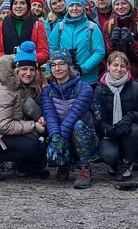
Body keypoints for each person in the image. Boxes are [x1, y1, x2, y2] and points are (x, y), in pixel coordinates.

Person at [0, 42, 48, 181]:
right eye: (24, 69)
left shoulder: (30, 86)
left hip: (7, 132)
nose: (28, 73)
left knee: (42, 137)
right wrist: (33, 125)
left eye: (32, 69)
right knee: (32, 144)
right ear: (15, 69)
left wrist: (40, 118)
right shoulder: (3, 89)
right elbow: (2, 125)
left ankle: (26, 165)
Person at [41, 49, 98, 189]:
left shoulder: (84, 88)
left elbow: (73, 116)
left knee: (77, 125)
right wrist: (55, 139)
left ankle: (85, 169)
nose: (57, 68)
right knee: (48, 126)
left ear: (69, 66)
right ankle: (64, 164)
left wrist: (59, 143)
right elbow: (51, 116)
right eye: (53, 65)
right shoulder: (47, 91)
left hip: (86, 138)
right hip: (62, 135)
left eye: (61, 64)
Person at [94, 51, 138, 181]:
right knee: (109, 155)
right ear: (108, 66)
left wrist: (131, 117)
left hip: (129, 131)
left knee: (136, 129)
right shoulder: (100, 89)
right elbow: (97, 117)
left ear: (127, 69)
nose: (119, 69)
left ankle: (126, 163)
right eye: (115, 65)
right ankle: (114, 164)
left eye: (122, 66)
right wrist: (108, 129)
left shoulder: (136, 87)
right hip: (109, 132)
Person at [47, 0, 105, 84]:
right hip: (63, 79)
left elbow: (99, 52)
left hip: (87, 79)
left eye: (78, 5)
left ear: (83, 8)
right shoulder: (59, 27)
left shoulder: (92, 27)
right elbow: (51, 49)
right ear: (67, 8)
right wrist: (53, 70)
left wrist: (83, 68)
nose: (75, 8)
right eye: (71, 5)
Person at [0, 0, 50, 67]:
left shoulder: (38, 25)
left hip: (30, 69)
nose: (18, 6)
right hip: (7, 68)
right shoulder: (1, 24)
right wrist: (7, 60)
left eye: (22, 3)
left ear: (28, 6)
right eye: (15, 3)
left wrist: (27, 59)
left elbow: (44, 52)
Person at [102, 0, 138, 83]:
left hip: (136, 77)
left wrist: (132, 42)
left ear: (130, 5)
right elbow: (106, 55)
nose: (120, 7)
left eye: (124, 3)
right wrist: (112, 42)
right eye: (117, 4)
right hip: (114, 76)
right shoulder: (108, 25)